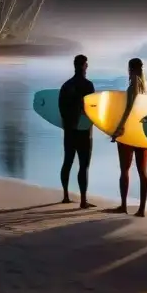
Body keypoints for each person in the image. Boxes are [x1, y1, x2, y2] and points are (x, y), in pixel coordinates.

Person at [109, 57, 147, 217]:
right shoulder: (146, 88)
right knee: (143, 172)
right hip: (142, 133)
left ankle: (124, 206)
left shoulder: (133, 86)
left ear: (130, 69)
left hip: (128, 133)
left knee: (125, 170)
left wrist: (118, 129)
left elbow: (128, 110)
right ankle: (141, 209)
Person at [58, 53, 96, 208]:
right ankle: (82, 200)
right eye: (86, 64)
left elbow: (61, 108)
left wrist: (68, 123)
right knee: (83, 165)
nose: (87, 67)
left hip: (69, 130)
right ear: (82, 66)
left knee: (67, 161)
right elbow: (92, 109)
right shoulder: (88, 85)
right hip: (84, 132)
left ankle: (66, 196)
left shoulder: (66, 86)